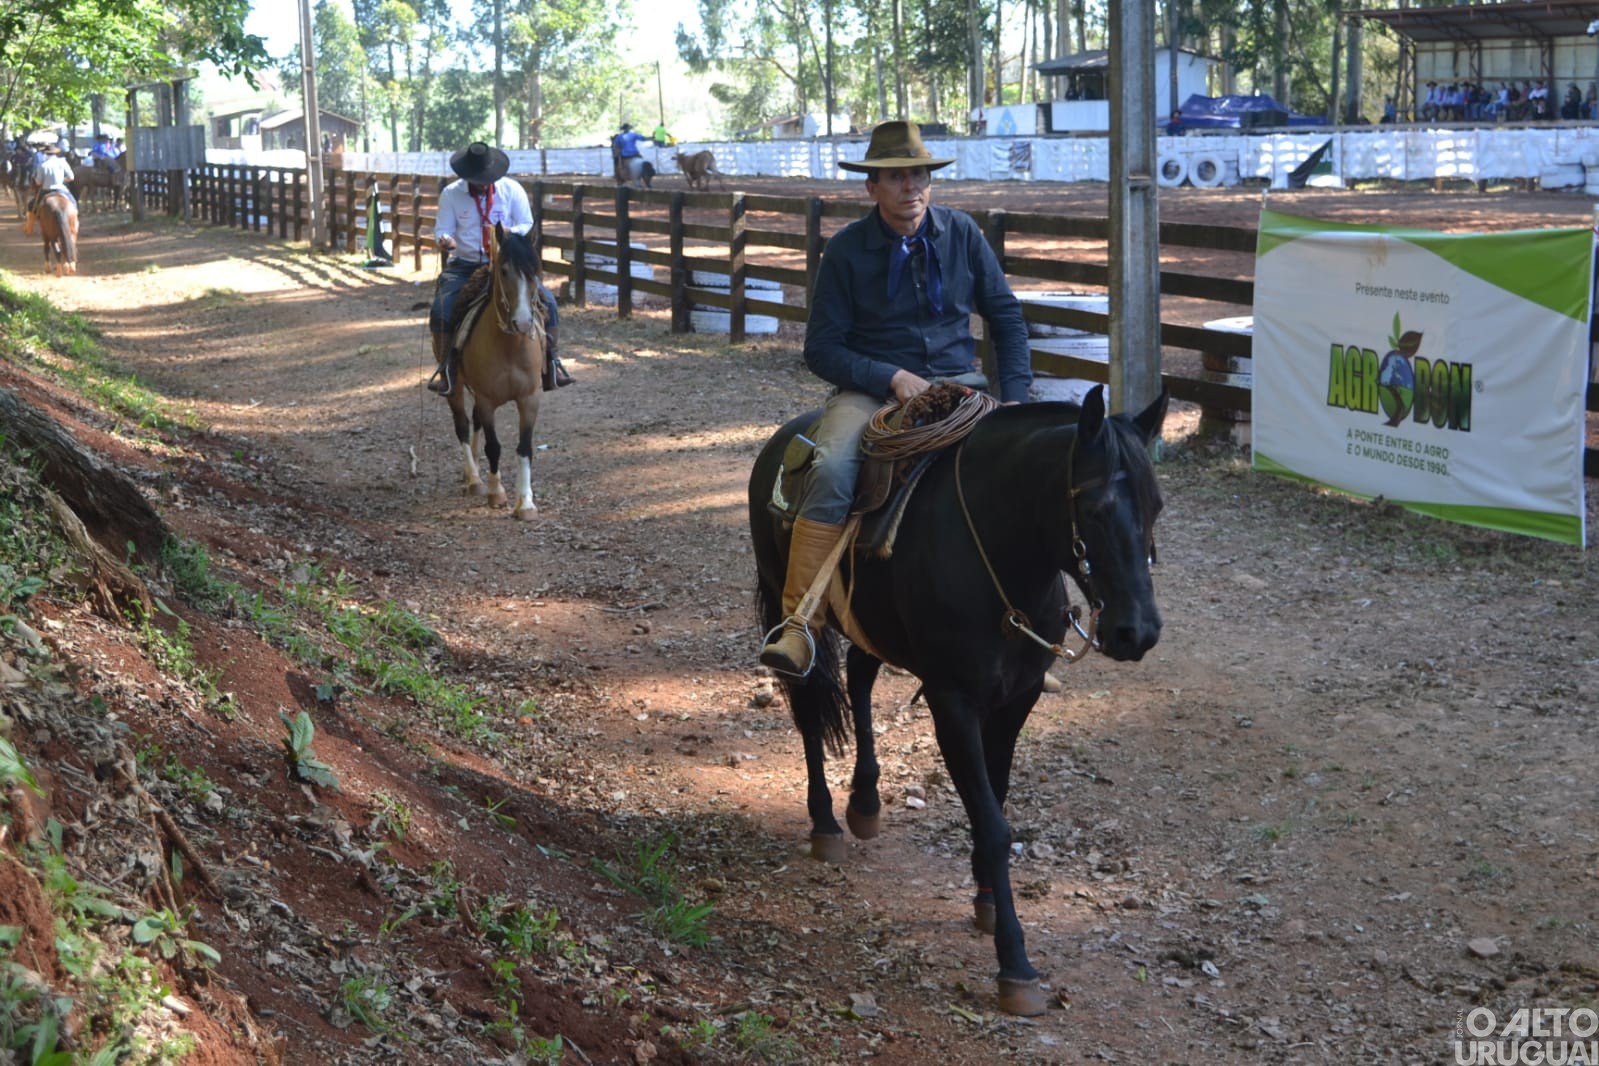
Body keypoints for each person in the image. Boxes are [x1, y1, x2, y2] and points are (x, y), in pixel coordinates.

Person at [759, 120, 1031, 677]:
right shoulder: (846, 251)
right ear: (872, 187)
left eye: (920, 176)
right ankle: (800, 623)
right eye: (896, 177)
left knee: (1025, 476)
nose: (911, 187)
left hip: (962, 388)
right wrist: (890, 376)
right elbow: (822, 348)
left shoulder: (963, 234)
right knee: (832, 467)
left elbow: (1005, 317)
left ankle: (1024, 629)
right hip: (870, 395)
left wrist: (1018, 401)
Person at [427, 141, 572, 395]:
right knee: (442, 309)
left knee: (548, 301)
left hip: (508, 264)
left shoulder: (511, 190)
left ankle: (552, 362)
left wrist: (510, 233)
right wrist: (445, 239)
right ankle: (447, 369)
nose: (483, 184)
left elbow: (526, 223)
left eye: (487, 179)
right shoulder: (451, 194)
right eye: (477, 179)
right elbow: (443, 228)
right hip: (465, 265)